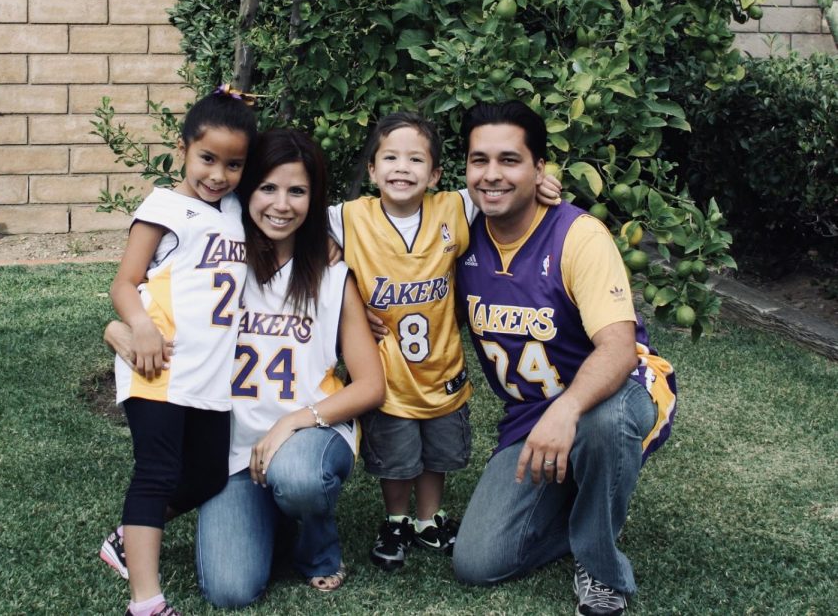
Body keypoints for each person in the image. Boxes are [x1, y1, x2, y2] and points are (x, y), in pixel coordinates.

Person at [107, 128, 385, 608]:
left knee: (298, 477)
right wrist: (115, 331)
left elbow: (371, 385)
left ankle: (318, 548)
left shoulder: (331, 274)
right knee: (229, 591)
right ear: (245, 191)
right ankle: (271, 517)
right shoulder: (216, 268)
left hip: (308, 437)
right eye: (268, 188)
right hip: (232, 454)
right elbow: (145, 302)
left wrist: (294, 421)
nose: (282, 205)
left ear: (314, 198)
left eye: (297, 191)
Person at [451, 100, 677, 616]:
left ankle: (601, 571)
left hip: (616, 390)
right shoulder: (458, 234)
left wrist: (567, 410)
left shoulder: (578, 236)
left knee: (604, 424)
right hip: (532, 414)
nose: (492, 175)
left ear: (539, 170)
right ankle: (583, 510)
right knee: (478, 562)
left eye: (510, 160)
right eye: (478, 160)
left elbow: (618, 349)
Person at [329, 112, 562, 571]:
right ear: (372, 170)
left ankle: (428, 519)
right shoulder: (346, 217)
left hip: (442, 366)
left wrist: (542, 182)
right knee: (396, 454)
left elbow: (504, 191)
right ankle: (395, 519)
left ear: (435, 174)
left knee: (436, 451)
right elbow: (294, 224)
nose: (402, 168)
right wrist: (344, 290)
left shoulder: (456, 207)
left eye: (416, 159)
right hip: (387, 369)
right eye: (390, 158)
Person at [99, 85, 258, 616]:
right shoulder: (163, 207)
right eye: (207, 158)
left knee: (208, 475)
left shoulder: (236, 207)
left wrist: (238, 110)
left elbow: (280, 170)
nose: (218, 174)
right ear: (183, 148)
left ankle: (127, 536)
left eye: (233, 164)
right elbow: (125, 282)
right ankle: (146, 602)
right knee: (157, 472)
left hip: (211, 376)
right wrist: (135, 326)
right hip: (159, 363)